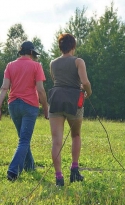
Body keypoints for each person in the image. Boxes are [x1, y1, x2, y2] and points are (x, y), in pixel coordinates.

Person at [0, 41, 49, 181]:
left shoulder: (10, 66)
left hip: (13, 105)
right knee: (24, 140)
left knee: (23, 139)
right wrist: (46, 109)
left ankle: (30, 166)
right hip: (29, 106)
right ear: (31, 52)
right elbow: (40, 90)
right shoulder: (36, 66)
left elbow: (4, 88)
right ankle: (13, 171)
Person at [49, 33, 92, 186]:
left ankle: (59, 177)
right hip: (74, 100)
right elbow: (85, 81)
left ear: (60, 47)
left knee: (56, 141)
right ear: (73, 46)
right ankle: (74, 170)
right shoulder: (78, 61)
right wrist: (88, 92)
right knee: (76, 135)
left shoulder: (53, 63)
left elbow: (56, 80)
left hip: (56, 99)